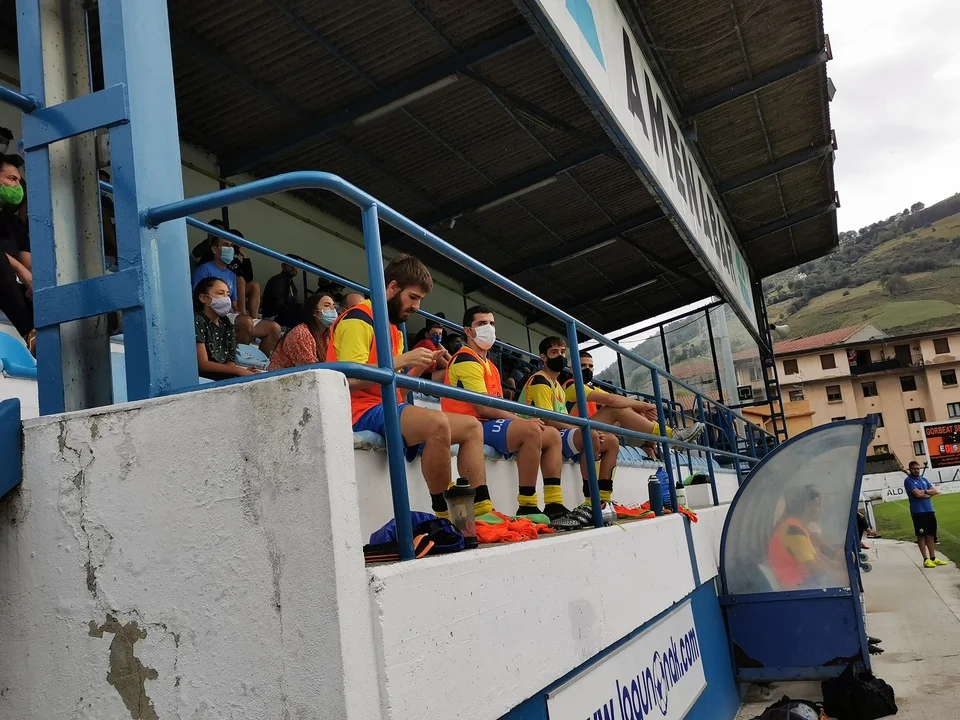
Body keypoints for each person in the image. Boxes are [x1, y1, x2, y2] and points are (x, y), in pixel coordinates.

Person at [327, 254, 498, 522]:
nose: (417, 306)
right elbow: (349, 379)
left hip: (386, 407)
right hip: (359, 410)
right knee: (437, 423)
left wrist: (418, 367)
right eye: (413, 297)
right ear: (393, 287)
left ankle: (481, 509)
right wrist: (404, 360)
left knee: (471, 427)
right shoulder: (359, 319)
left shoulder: (392, 327)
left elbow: (394, 386)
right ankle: (446, 514)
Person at [443, 306, 577, 528]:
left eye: (491, 324)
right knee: (531, 429)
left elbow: (495, 407)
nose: (488, 328)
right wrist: (521, 420)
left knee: (552, 435)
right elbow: (483, 408)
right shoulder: (466, 358)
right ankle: (527, 504)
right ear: (468, 331)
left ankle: (553, 503)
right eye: (481, 324)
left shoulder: (490, 365)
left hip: (488, 424)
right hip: (469, 424)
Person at [519, 336, 620, 528]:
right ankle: (591, 500)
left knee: (612, 441)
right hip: (538, 431)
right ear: (543, 357)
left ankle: (605, 498)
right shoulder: (540, 380)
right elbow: (548, 419)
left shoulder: (557, 385)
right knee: (590, 435)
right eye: (554, 352)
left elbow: (562, 420)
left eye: (562, 352)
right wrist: (582, 429)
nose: (560, 356)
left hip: (556, 433)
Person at [565, 349, 704, 449]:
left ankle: (670, 438)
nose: (587, 369)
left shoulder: (591, 388)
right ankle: (669, 435)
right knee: (616, 408)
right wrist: (643, 406)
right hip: (577, 431)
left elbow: (618, 399)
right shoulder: (572, 386)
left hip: (592, 429)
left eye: (590, 366)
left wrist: (641, 409)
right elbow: (612, 401)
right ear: (572, 369)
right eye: (583, 365)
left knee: (627, 407)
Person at [192, 235, 281, 355]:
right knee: (245, 322)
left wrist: (240, 312)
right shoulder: (204, 269)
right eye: (225, 245)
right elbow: (197, 297)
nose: (230, 248)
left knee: (274, 328)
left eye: (231, 245)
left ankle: (260, 362)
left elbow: (234, 304)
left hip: (229, 315)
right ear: (214, 249)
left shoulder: (232, 275)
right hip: (213, 314)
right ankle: (238, 360)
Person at [767, 485, 846, 590]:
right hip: (797, 588)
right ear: (806, 506)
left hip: (804, 582)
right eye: (817, 505)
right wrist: (837, 576)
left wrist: (834, 566)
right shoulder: (792, 530)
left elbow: (816, 556)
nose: (820, 510)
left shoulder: (799, 527)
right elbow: (813, 565)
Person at [193, 277, 260, 380]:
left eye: (227, 294)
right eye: (220, 293)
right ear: (204, 298)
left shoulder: (225, 322)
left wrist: (242, 372)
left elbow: (230, 361)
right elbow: (203, 364)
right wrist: (239, 371)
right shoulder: (198, 320)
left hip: (223, 375)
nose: (226, 299)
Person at [0, 156, 34, 352]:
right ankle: (30, 332)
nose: (17, 186)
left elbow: (28, 263)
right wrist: (20, 269)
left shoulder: (13, 224)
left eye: (19, 181)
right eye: (12, 179)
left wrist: (34, 283)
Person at [267, 293, 338, 371]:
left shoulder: (327, 335)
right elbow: (312, 369)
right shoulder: (300, 333)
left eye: (334, 306)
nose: (333, 309)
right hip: (280, 377)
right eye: (327, 305)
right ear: (315, 312)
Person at [905, 461, 948, 568]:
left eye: (918, 468)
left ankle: (933, 557)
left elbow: (934, 490)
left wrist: (924, 492)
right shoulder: (908, 481)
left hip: (929, 510)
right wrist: (928, 493)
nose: (916, 470)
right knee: (921, 536)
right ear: (910, 469)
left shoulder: (923, 479)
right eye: (914, 468)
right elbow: (917, 494)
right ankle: (925, 559)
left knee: (931, 535)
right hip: (918, 512)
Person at [262, 260, 302, 329]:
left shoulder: (291, 284)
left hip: (283, 315)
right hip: (274, 317)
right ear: (283, 266)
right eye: (290, 264)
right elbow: (278, 305)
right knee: (301, 308)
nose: (294, 267)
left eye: (296, 265)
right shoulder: (277, 281)